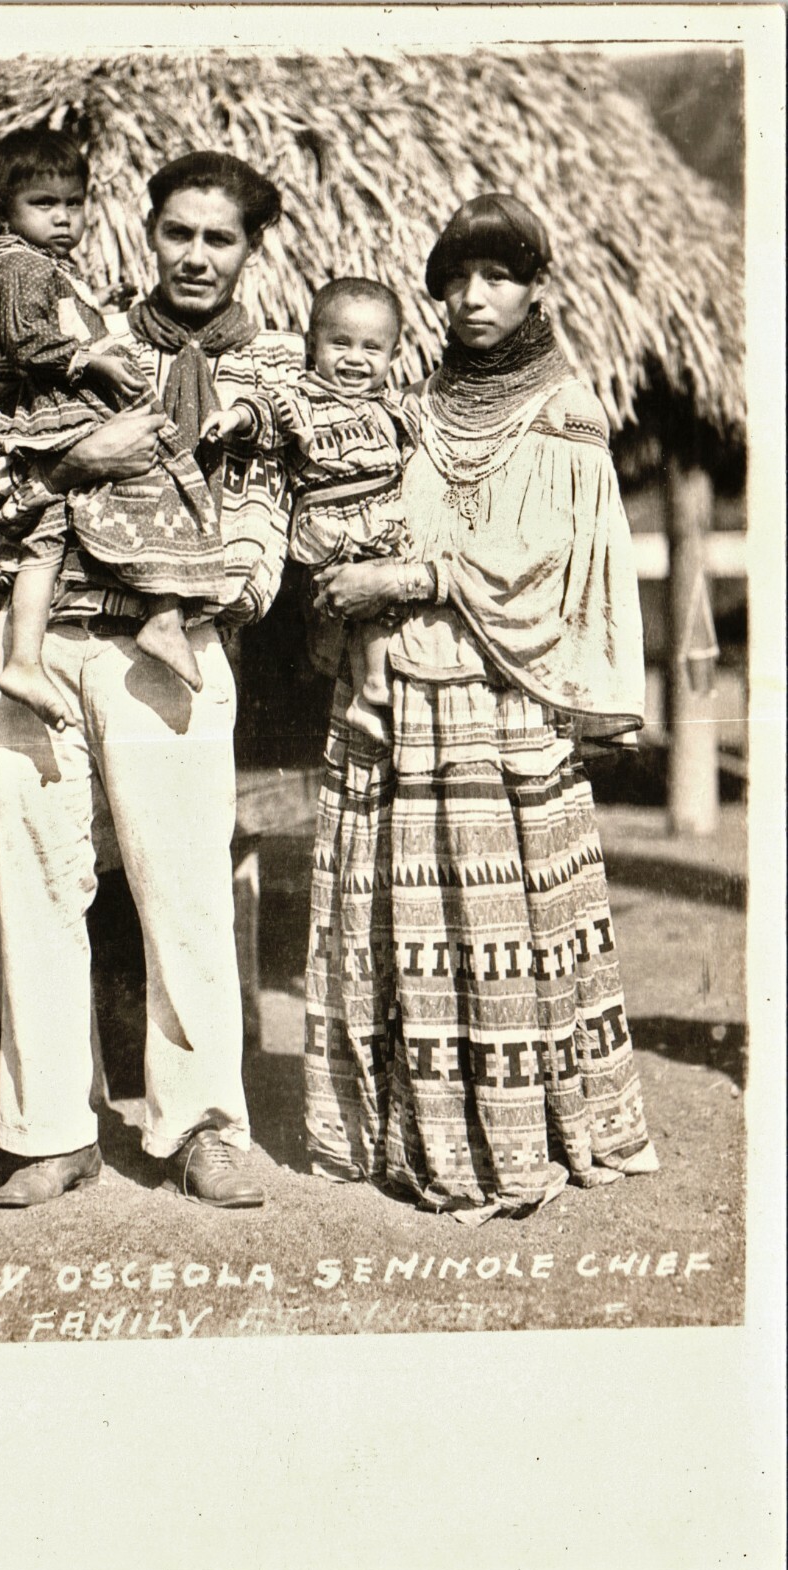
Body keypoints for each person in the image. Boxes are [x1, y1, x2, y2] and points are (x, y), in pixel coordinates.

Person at [304, 193, 659, 1226]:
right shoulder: (417, 400)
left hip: (496, 702)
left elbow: (533, 560)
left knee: (505, 920)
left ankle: (523, 1137)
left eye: (496, 276)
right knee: (404, 911)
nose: (472, 298)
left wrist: (401, 580)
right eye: (455, 279)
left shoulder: (561, 411)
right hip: (398, 696)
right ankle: (414, 1137)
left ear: (534, 285)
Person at [0, 150, 305, 1208]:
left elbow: (272, 526)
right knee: (36, 879)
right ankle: (50, 1129)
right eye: (177, 233)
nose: (195, 255)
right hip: (42, 634)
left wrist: (200, 600)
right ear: (146, 233)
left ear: (251, 250)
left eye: (220, 238)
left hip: (172, 646)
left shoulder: (282, 370)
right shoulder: (75, 335)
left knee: (185, 887)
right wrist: (75, 461)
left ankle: (200, 1124)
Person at [0, 128, 226, 714]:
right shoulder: (21, 266)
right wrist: (90, 357)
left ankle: (40, 653)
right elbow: (25, 345)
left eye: (74, 203)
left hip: (65, 406)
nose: (63, 218)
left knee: (54, 529)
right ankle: (156, 617)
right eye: (44, 204)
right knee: (152, 473)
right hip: (57, 411)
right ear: (3, 212)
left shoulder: (49, 266)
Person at [201, 278, 418, 743]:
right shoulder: (306, 397)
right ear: (312, 344)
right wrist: (234, 418)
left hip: (381, 519)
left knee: (379, 607)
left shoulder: (392, 408)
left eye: (372, 348)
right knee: (366, 606)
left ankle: (368, 691)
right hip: (335, 522)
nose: (355, 359)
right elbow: (268, 411)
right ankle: (372, 690)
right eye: (340, 344)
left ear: (394, 356)